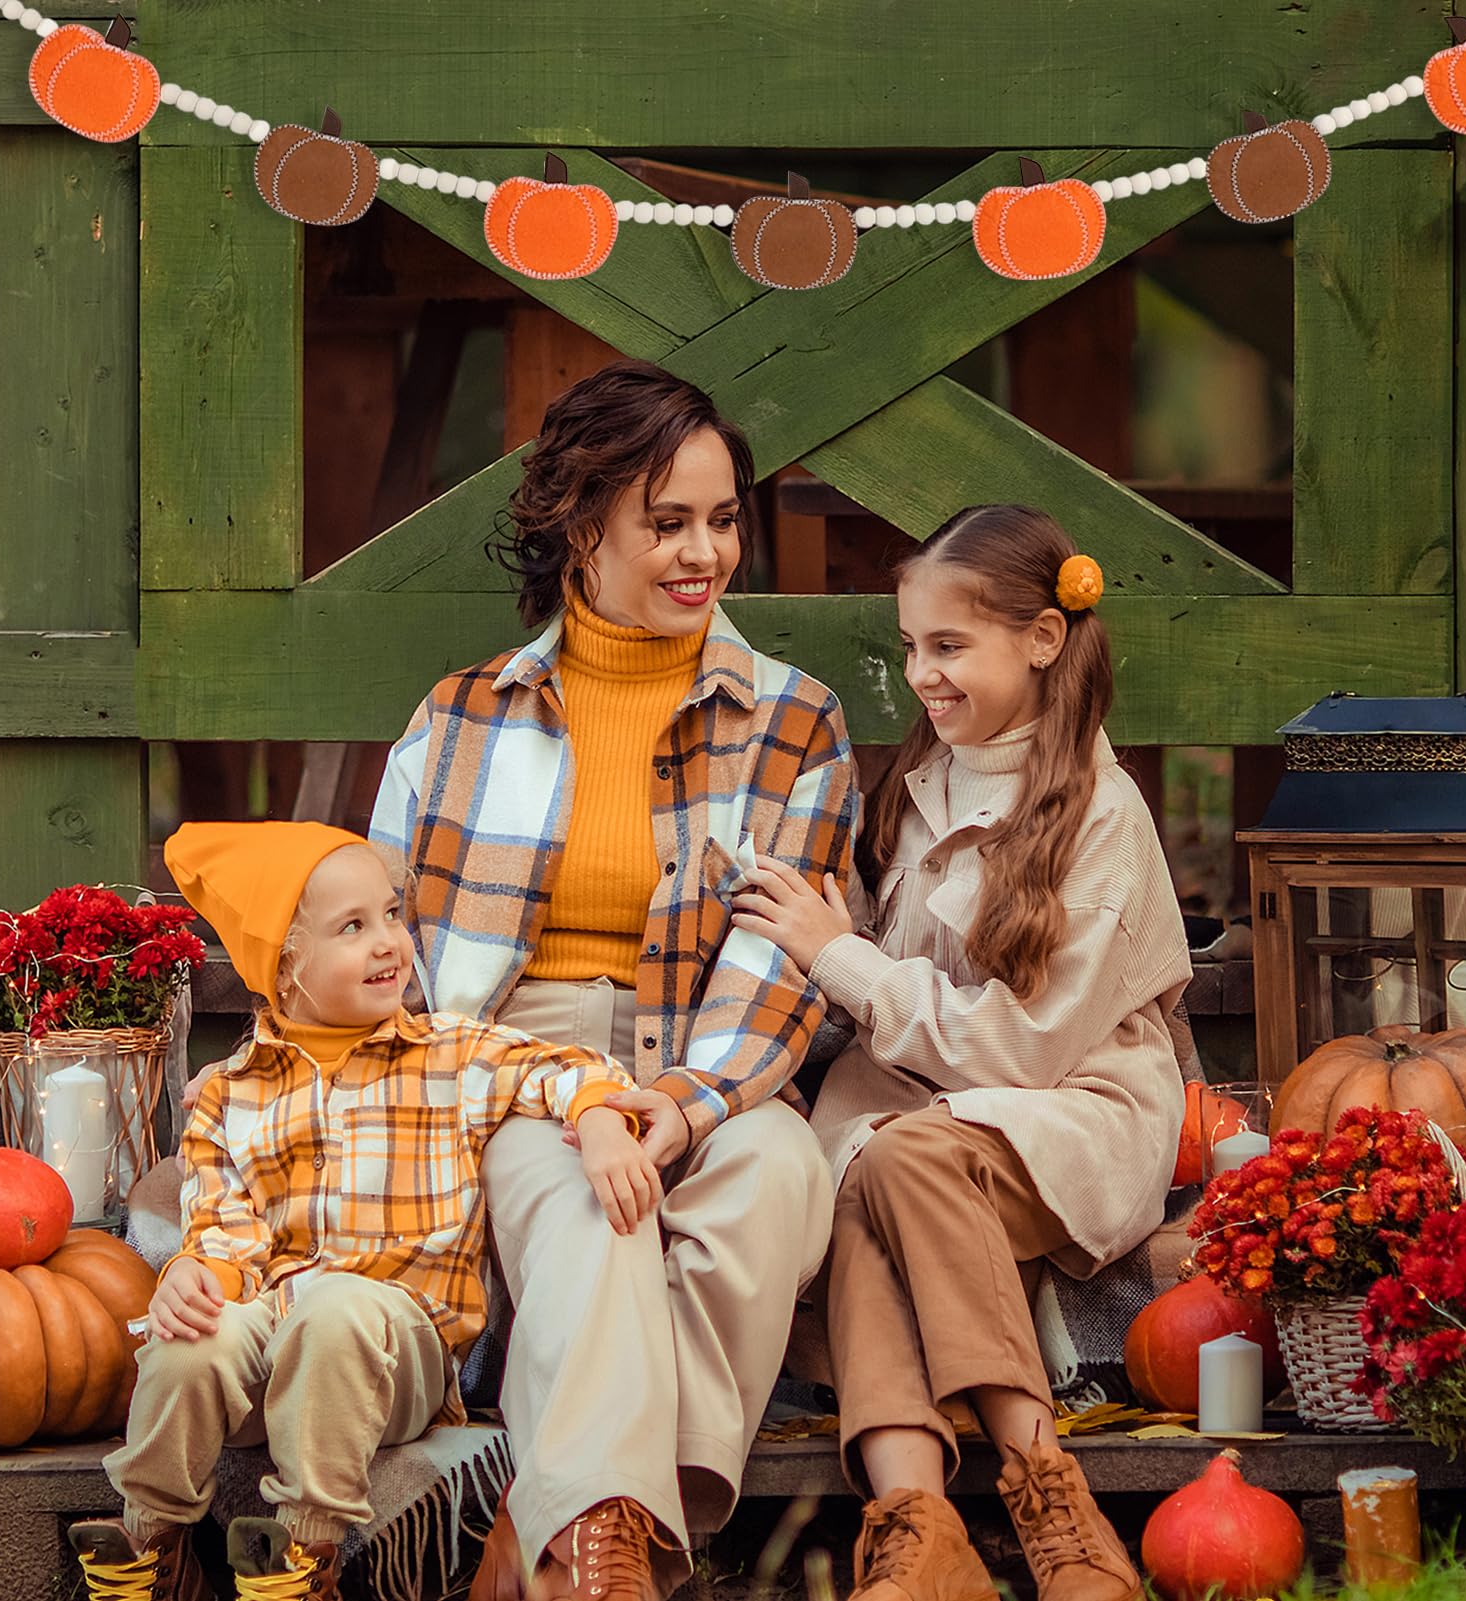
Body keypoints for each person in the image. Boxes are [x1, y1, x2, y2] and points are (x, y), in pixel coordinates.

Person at [369, 360, 855, 1600]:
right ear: (582, 527)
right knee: (595, 1209)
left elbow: (778, 957)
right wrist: (558, 1093)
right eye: (669, 523)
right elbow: (389, 955)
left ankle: (570, 1533)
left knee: (775, 1174)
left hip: (710, 1056)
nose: (707, 553)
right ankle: (605, 1560)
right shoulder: (460, 718)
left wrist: (686, 1102)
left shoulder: (794, 723)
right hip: (509, 1069)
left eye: (723, 518)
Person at [733, 505, 1192, 1601]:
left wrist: (840, 956)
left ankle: (1042, 1486)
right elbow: (884, 995)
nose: (920, 675)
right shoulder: (918, 778)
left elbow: (1025, 1051)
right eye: (908, 646)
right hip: (914, 1106)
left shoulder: (1100, 811)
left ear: (1042, 637)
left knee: (898, 1160)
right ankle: (921, 1525)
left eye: (948, 646)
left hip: (1066, 1107)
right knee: (868, 1177)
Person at [69, 822, 648, 1601]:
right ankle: (151, 1549)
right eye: (353, 926)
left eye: (391, 914)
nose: (389, 943)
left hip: (398, 1347)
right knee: (188, 1342)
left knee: (337, 1310)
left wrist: (605, 1117)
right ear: (285, 965)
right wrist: (192, 1277)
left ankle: (306, 1560)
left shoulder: (450, 1054)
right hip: (279, 1335)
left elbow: (568, 1067)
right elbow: (225, 1236)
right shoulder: (231, 1094)